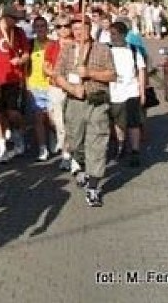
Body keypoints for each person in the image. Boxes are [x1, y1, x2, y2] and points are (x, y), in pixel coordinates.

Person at [53, 14, 116, 207]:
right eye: (76, 29)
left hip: (97, 103)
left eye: (83, 28)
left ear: (90, 28)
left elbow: (112, 75)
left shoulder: (103, 49)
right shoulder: (67, 50)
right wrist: (72, 88)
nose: (79, 32)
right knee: (75, 141)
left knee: (96, 143)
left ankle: (94, 187)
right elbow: (57, 75)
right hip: (74, 103)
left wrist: (90, 73)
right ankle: (80, 164)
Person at [0, 4, 30, 160]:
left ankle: (18, 136)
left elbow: (27, 54)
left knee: (13, 112)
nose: (16, 22)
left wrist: (21, 60)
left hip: (14, 78)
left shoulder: (19, 32)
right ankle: (2, 146)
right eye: (13, 19)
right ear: (5, 17)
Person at [108, 20, 146, 166]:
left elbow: (141, 71)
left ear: (123, 35)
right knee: (118, 121)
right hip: (113, 91)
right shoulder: (107, 49)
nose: (112, 37)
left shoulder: (134, 50)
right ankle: (121, 144)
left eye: (115, 34)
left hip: (131, 91)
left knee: (133, 122)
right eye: (110, 34)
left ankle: (135, 151)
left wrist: (142, 92)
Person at [43, 13, 73, 169]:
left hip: (73, 89)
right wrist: (56, 75)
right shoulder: (52, 45)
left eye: (66, 26)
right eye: (59, 26)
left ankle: (72, 154)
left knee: (74, 123)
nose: (63, 29)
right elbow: (45, 67)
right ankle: (66, 155)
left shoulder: (77, 43)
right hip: (56, 88)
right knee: (60, 124)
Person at [25, 15, 53, 161]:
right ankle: (43, 148)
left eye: (43, 26)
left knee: (53, 119)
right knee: (38, 118)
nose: (40, 29)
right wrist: (26, 84)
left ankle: (53, 137)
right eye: (38, 26)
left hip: (51, 85)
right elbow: (25, 66)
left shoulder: (53, 44)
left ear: (47, 28)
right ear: (34, 29)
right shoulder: (29, 45)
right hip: (34, 86)